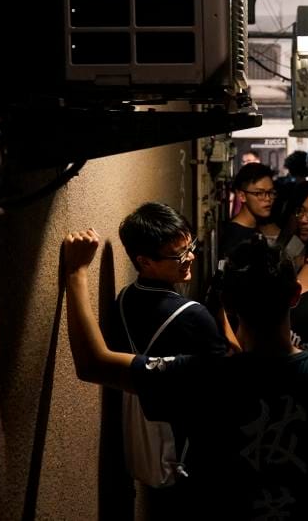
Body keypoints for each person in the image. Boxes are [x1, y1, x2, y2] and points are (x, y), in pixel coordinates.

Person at [64, 232, 308, 520]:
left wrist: (76, 272)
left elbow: (94, 364)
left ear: (228, 302)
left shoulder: (201, 374)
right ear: (295, 295)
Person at [110, 203, 233, 519]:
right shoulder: (192, 316)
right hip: (189, 449)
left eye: (190, 247)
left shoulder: (123, 300)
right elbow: (225, 381)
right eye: (179, 255)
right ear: (144, 261)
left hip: (144, 434)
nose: (190, 257)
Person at [221, 162, 281, 256]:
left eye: (270, 192)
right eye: (259, 193)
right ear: (242, 196)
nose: (268, 199)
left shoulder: (256, 228)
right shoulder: (236, 237)